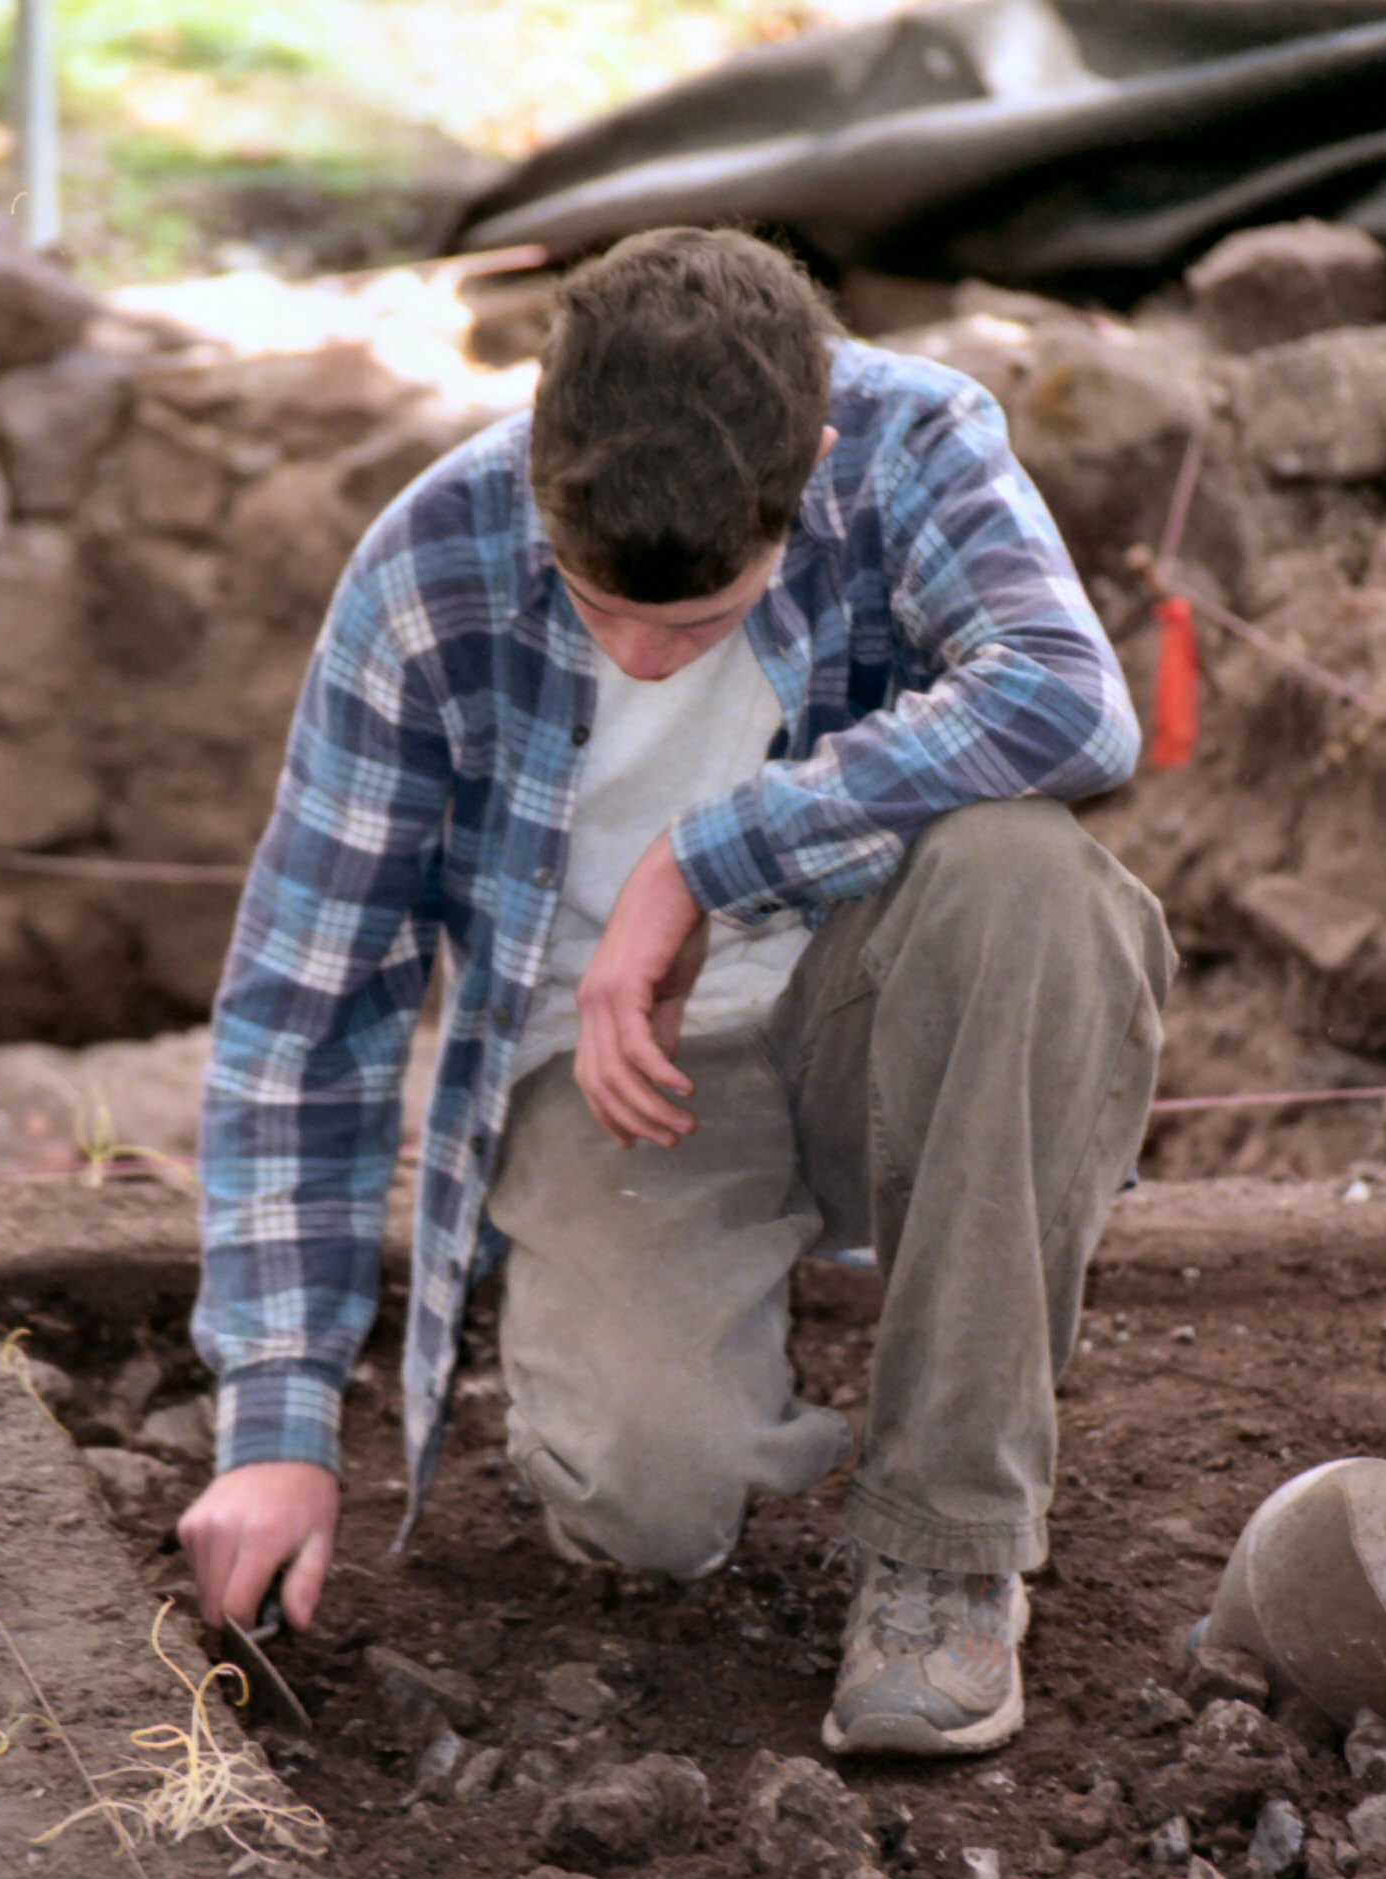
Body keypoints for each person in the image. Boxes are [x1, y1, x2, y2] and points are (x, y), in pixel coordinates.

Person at [178, 227, 1174, 1758]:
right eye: (596, 605)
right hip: (615, 1076)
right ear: (539, 463)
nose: (643, 661)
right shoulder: (427, 565)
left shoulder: (906, 442)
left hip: (876, 1011)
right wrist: (278, 1419)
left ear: (810, 467)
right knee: (644, 1504)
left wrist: (702, 860)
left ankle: (944, 1545)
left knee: (1026, 874)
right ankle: (769, 1353)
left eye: (697, 622)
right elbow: (306, 1008)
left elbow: (1068, 699)